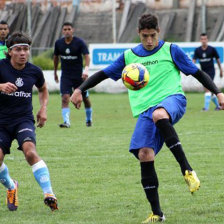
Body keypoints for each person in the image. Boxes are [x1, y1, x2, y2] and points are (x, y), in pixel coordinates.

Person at [70, 14, 224, 223]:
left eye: (152, 35)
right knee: (144, 154)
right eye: (145, 36)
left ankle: (186, 169)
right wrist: (80, 89)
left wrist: (218, 92)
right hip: (145, 111)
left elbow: (197, 73)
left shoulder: (171, 50)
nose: (149, 41)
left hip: (173, 100)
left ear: (158, 31)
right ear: (138, 34)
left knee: (159, 114)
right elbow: (104, 74)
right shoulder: (128, 56)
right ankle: (157, 214)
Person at [0, 32, 58, 211]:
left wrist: (43, 108)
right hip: (1, 122)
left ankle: (49, 194)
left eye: (26, 49)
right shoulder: (0, 67)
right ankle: (11, 186)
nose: (23, 53)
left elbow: (43, 89)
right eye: (18, 49)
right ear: (9, 52)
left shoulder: (34, 71)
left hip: (23, 120)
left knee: (30, 152)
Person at [53, 22, 92, 128]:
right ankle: (67, 122)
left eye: (69, 29)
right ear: (62, 31)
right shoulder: (58, 43)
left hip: (79, 76)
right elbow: (56, 57)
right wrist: (55, 72)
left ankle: (89, 119)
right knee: (65, 98)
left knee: (85, 99)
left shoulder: (79, 42)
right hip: (65, 76)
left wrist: (86, 70)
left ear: (72, 30)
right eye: (65, 29)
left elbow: (87, 56)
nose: (67, 31)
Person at [193, 33, 223, 111]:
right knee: (211, 91)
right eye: (202, 39)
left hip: (211, 72)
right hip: (202, 72)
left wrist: (221, 70)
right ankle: (218, 106)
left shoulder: (212, 49)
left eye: (205, 39)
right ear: (200, 40)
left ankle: (206, 108)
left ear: (207, 40)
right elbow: (193, 61)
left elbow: (218, 60)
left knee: (207, 89)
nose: (203, 41)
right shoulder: (197, 50)